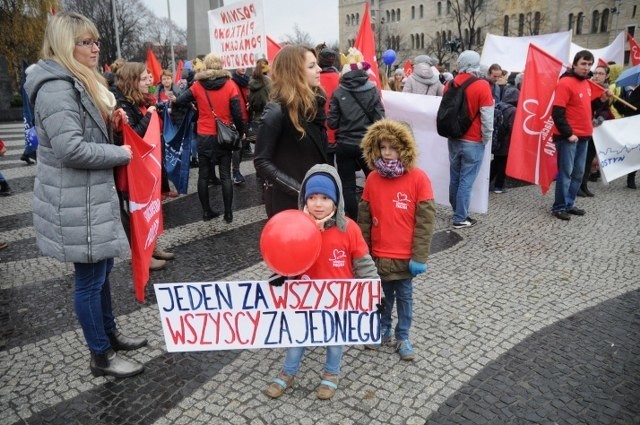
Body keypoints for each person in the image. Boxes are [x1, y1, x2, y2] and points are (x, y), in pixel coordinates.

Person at [24, 12, 146, 378]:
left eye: (96, 41)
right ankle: (101, 355)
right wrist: (121, 153)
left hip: (88, 197)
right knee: (90, 280)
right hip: (76, 200)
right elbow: (70, 149)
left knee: (102, 271)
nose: (95, 48)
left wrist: (110, 125)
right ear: (65, 45)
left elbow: (82, 135)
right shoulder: (57, 86)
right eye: (85, 42)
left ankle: (109, 335)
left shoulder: (77, 79)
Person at [264, 164, 379, 400]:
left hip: (338, 300)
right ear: (304, 199)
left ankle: (331, 374)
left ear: (336, 200)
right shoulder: (295, 229)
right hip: (304, 298)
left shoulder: (349, 229)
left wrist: (376, 294)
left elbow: (364, 264)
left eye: (325, 197)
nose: (318, 203)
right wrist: (281, 277)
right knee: (298, 337)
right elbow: (285, 259)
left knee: (335, 340)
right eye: (313, 197)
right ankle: (288, 373)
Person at [358, 119, 436, 361]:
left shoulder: (419, 179)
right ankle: (382, 330)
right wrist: (363, 252)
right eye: (383, 147)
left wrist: (419, 255)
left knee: (404, 298)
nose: (388, 152)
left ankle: (403, 335)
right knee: (382, 296)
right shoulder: (372, 179)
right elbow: (364, 219)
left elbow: (425, 222)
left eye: (393, 147)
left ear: (405, 147)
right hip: (379, 254)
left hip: (404, 256)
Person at [113, 62, 175, 270]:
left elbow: (152, 93)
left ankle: (152, 246)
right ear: (132, 81)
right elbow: (133, 136)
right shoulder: (122, 104)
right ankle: (143, 257)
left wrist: (152, 96)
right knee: (137, 213)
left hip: (147, 164)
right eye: (143, 78)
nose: (148, 81)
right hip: (132, 169)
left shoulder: (139, 98)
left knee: (150, 208)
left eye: (149, 77)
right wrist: (149, 115)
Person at [254, 45, 328, 218]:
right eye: (311, 66)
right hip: (287, 201)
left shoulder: (314, 105)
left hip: (315, 197)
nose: (319, 69)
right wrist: (300, 190)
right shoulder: (276, 110)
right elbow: (261, 161)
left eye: (316, 64)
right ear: (294, 72)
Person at [173, 53, 244, 223]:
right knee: (226, 175)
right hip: (224, 136)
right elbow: (237, 112)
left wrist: (192, 104)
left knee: (203, 176)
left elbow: (180, 100)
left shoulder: (197, 86)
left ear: (206, 67)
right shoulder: (230, 85)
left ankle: (206, 212)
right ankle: (228, 214)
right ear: (220, 66)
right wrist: (241, 131)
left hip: (204, 136)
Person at [551, 50, 611, 220]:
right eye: (583, 63)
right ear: (575, 64)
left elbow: (586, 107)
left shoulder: (585, 83)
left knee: (578, 173)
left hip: (584, 136)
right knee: (566, 173)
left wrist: (602, 100)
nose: (587, 68)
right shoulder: (565, 83)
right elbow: (557, 112)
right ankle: (559, 207)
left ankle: (569, 204)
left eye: (589, 64)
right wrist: (568, 133)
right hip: (569, 137)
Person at [328, 49, 385, 220]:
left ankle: (351, 220)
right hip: (367, 145)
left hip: (345, 145)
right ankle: (376, 216)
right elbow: (380, 118)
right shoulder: (373, 90)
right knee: (374, 182)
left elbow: (332, 123)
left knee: (348, 186)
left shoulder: (338, 93)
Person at [446, 51, 494, 228]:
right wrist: (486, 138)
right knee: (466, 180)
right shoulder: (482, 86)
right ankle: (460, 217)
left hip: (453, 138)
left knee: (455, 177)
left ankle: (456, 211)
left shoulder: (450, 84)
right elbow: (488, 118)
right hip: (473, 140)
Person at [579, 65, 614, 197]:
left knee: (588, 159)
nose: (597, 76)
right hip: (583, 127)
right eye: (596, 73)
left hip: (596, 129)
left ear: (607, 76)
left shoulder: (606, 90)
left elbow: (606, 108)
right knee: (580, 159)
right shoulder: (586, 86)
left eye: (601, 74)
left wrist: (600, 117)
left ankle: (584, 185)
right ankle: (577, 186)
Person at [490, 86, 519, 193]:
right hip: (506, 142)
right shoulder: (513, 110)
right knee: (503, 163)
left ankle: (487, 182)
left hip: (496, 139)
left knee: (496, 162)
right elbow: (512, 128)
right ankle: (498, 186)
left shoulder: (497, 105)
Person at [317, 45, 340, 166]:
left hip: (321, 130)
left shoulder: (314, 80)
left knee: (327, 167)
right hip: (339, 131)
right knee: (344, 171)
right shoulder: (341, 79)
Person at [230, 67, 250, 185]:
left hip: (247, 117)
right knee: (237, 147)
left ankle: (236, 170)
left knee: (242, 147)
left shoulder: (247, 81)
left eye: (244, 65)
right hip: (237, 118)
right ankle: (235, 172)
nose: (243, 67)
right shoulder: (232, 82)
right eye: (240, 65)